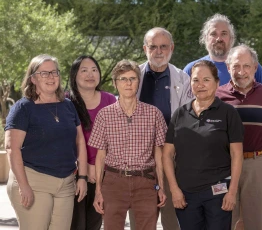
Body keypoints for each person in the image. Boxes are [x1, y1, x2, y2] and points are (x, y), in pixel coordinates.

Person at [5, 54, 87, 230]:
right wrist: (23, 185)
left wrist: (82, 177)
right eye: (44, 73)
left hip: (66, 183)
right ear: (33, 78)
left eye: (54, 72)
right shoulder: (23, 108)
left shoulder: (67, 105)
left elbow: (80, 141)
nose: (51, 77)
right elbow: (12, 148)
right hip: (33, 180)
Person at [163, 60, 244, 230]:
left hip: (218, 193)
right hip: (186, 195)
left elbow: (237, 155)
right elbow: (167, 154)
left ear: (217, 83)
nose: (200, 85)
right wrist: (174, 189)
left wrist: (232, 192)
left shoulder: (229, 113)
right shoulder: (180, 114)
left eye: (206, 80)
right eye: (195, 80)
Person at [89, 59, 167, 230]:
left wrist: (160, 186)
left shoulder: (154, 114)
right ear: (115, 83)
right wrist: (98, 191)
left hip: (146, 181)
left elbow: (159, 154)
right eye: (123, 79)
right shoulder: (104, 115)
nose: (128, 83)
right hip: (114, 181)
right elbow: (100, 156)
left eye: (132, 78)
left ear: (138, 82)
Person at [129, 27, 193, 230]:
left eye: (163, 46)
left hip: (171, 157)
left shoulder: (183, 80)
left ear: (171, 48)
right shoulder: (132, 77)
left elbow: (188, 121)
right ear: (144, 49)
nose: (158, 51)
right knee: (141, 219)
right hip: (139, 159)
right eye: (153, 47)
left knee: (172, 220)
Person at [216, 44, 262, 230]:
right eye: (236, 66)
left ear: (255, 67)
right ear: (228, 68)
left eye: (246, 66)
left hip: (259, 164)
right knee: (226, 222)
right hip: (225, 167)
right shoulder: (217, 96)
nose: (241, 71)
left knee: (259, 223)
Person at [68, 56, 116, 230]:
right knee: (75, 224)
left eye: (94, 70)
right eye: (84, 70)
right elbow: (62, 140)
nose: (90, 74)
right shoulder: (66, 102)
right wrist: (84, 167)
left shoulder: (110, 100)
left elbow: (115, 139)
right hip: (73, 175)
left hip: (101, 175)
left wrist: (97, 168)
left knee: (94, 224)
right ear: (74, 75)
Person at [183, 13, 262, 86]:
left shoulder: (251, 67)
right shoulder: (191, 69)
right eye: (213, 34)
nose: (219, 39)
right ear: (205, 38)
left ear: (231, 38)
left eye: (224, 34)